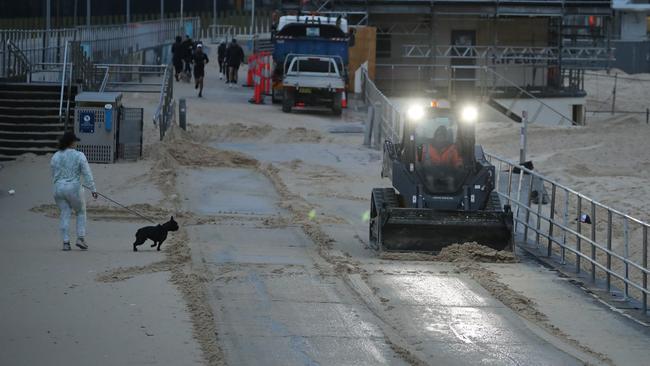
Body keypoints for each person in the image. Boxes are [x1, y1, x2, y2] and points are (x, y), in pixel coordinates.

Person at [50, 131, 98, 251]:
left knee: (65, 213)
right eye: (75, 141)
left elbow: (54, 174)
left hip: (58, 188)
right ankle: (80, 238)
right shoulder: (79, 155)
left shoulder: (55, 156)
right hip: (74, 188)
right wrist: (92, 188)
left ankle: (66, 242)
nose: (76, 143)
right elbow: (87, 173)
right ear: (71, 142)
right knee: (81, 212)